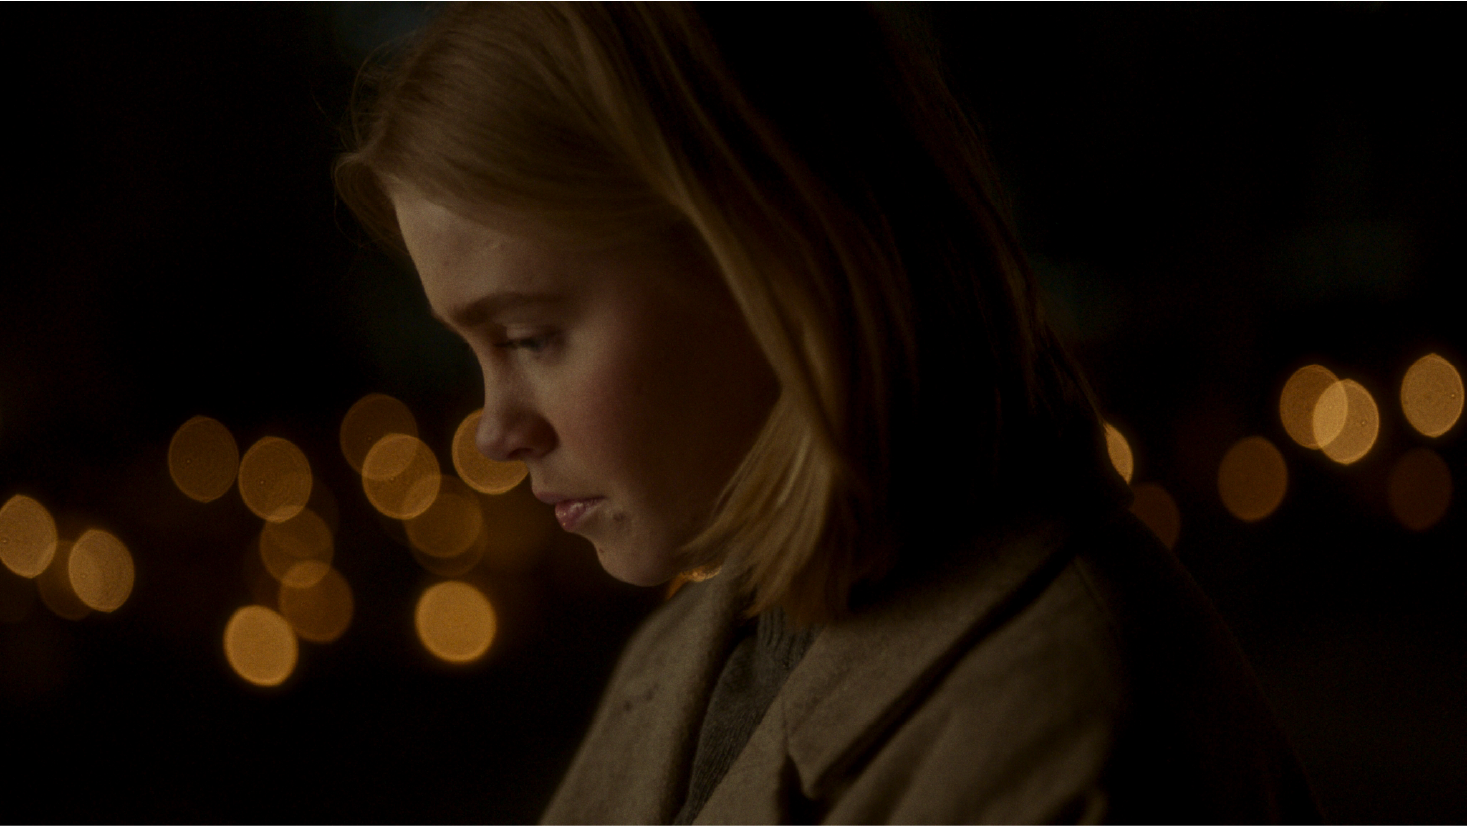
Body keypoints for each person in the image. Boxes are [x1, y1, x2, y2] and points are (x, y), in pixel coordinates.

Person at [336, 4, 1322, 823]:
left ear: (770, 257)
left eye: (530, 337)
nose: (493, 432)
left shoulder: (1063, 727)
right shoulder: (690, 660)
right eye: (469, 348)